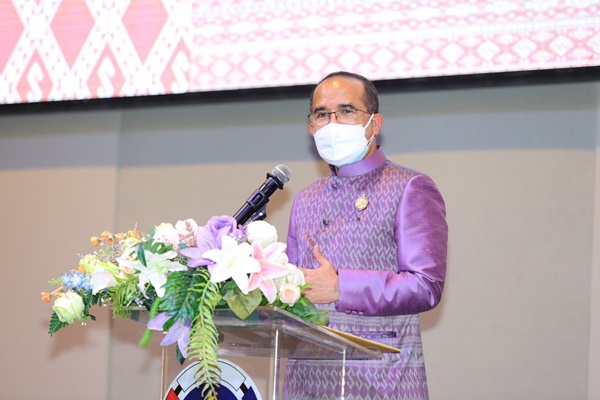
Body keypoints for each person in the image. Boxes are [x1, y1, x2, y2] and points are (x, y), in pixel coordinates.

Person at [283, 71, 448, 399]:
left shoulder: (409, 187)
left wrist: (340, 287)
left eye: (346, 111)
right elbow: (291, 286)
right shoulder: (305, 198)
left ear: (375, 123)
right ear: (311, 128)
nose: (332, 123)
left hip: (380, 380)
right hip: (305, 382)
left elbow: (425, 286)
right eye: (321, 115)